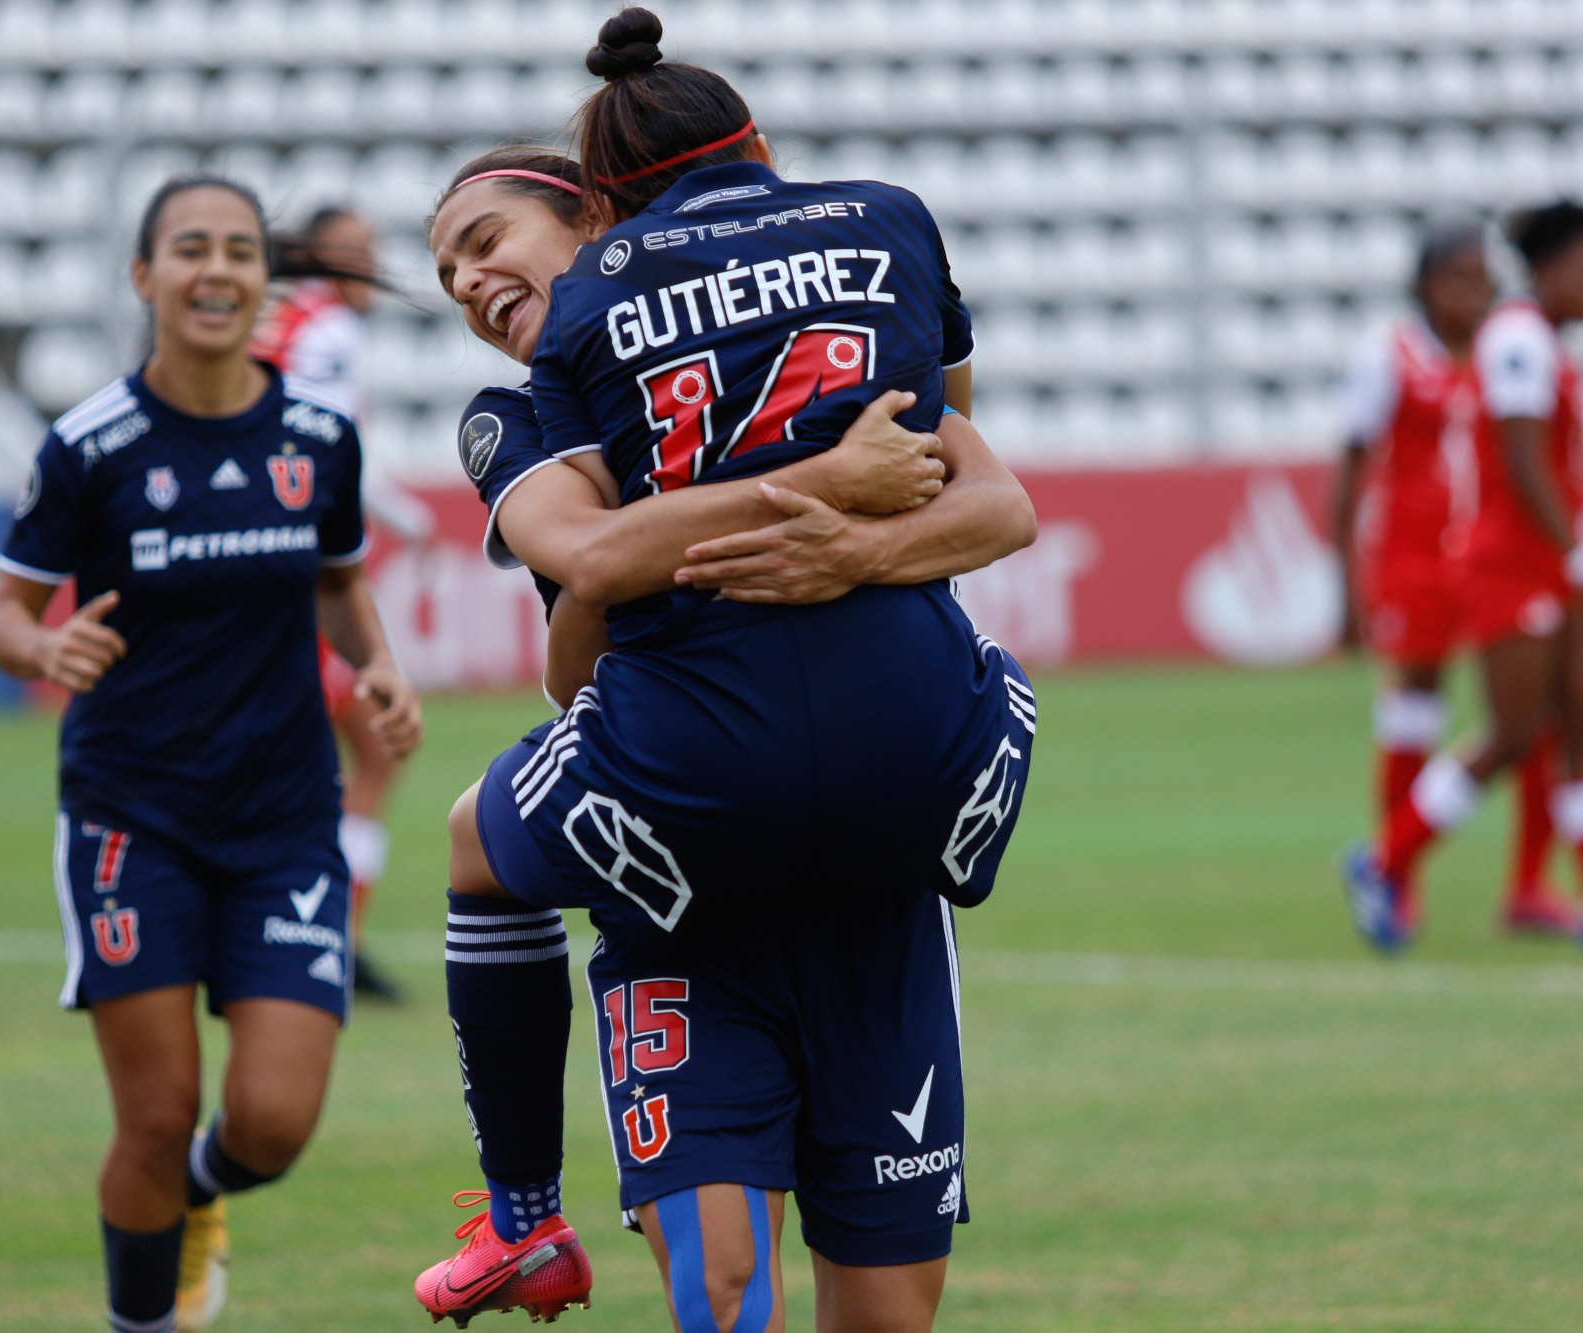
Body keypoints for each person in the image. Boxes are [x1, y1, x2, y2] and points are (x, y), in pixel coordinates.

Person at [417, 12, 1041, 1330]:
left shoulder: (718, 318)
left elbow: (994, 505)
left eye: (483, 244)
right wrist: (827, 489)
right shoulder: (515, 413)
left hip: (862, 892)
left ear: (591, 209)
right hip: (685, 883)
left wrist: (844, 560)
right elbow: (575, 624)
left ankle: (517, 1214)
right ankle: (521, 1213)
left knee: (885, 1314)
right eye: (446, 280)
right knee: (726, 1290)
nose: (469, 285)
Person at [0, 175, 422, 1333]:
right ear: (147, 277)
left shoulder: (316, 439)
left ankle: (198, 1202)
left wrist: (374, 664)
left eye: (237, 248)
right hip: (135, 817)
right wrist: (45, 643)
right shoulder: (90, 446)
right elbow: (0, 615)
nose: (216, 268)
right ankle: (145, 1319)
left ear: (260, 278)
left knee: (271, 1123)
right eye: (189, 248)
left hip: (282, 822)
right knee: (157, 1112)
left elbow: (335, 585)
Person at [1343, 202, 1583, 954]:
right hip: (1510, 564)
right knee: (1509, 733)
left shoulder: (1536, 342)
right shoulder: (1519, 341)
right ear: (1555, 270)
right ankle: (1383, 860)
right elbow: (1523, 462)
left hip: (1546, 561)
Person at [1329, 222, 1574, 935]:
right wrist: (1347, 587)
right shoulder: (1389, 355)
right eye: (1458, 278)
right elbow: (1349, 468)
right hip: (1412, 557)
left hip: (1490, 555)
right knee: (1417, 706)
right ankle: (1398, 879)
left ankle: (1529, 883)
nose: (1475, 292)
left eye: (1483, 278)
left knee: (1532, 709)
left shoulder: (1506, 352)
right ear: (1425, 286)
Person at [252, 205, 429, 1001]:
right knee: (372, 744)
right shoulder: (326, 329)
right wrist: (408, 517)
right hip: (295, 571)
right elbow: (322, 448)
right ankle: (325, 936)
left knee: (341, 750)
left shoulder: (291, 320)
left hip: (270, 566)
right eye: (356, 252)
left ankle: (324, 934)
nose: (371, 268)